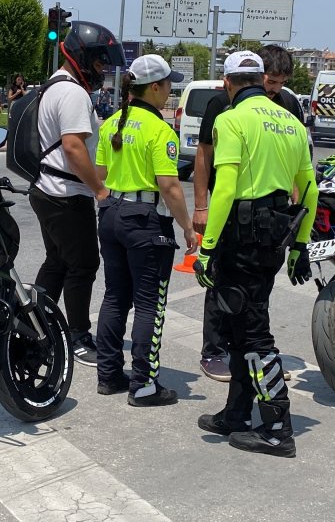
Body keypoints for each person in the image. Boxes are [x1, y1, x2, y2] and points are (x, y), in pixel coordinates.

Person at [193, 50, 318, 457]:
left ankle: (278, 428)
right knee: (238, 328)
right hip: (273, 238)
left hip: (240, 238)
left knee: (253, 334)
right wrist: (300, 246)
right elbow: (310, 189)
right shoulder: (291, 122)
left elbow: (225, 188)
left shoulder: (231, 119)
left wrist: (207, 248)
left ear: (228, 83)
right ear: (261, 79)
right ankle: (237, 413)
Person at [94, 55, 198, 406]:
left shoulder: (112, 123)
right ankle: (143, 385)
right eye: (168, 85)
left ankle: (109, 375)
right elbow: (169, 186)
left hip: (111, 213)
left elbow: (100, 174)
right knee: (149, 302)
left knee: (115, 296)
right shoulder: (160, 130)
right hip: (145, 220)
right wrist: (187, 227)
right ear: (154, 87)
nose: (170, 91)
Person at [30, 20, 125, 366]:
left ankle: (33, 325)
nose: (101, 70)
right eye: (99, 63)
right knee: (83, 265)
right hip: (66, 194)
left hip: (48, 190)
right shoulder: (72, 93)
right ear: (82, 57)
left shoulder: (53, 85)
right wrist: (99, 190)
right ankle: (78, 336)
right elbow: (72, 146)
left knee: (57, 261)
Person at [192, 72, 233, 382]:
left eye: (278, 83)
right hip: (224, 206)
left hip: (263, 212)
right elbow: (204, 153)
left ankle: (250, 349)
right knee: (218, 277)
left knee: (256, 286)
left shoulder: (285, 104)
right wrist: (201, 206)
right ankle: (214, 351)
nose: (273, 89)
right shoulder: (219, 104)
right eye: (270, 82)